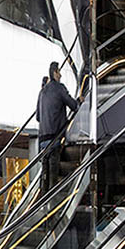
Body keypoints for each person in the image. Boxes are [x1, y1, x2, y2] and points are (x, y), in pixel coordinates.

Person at [36, 62, 80, 194]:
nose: (60, 75)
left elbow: (38, 117)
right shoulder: (59, 88)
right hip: (54, 138)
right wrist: (79, 100)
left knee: (44, 176)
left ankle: (42, 201)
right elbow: (74, 106)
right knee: (53, 176)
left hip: (42, 140)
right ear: (55, 72)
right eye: (59, 72)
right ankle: (52, 203)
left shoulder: (42, 92)